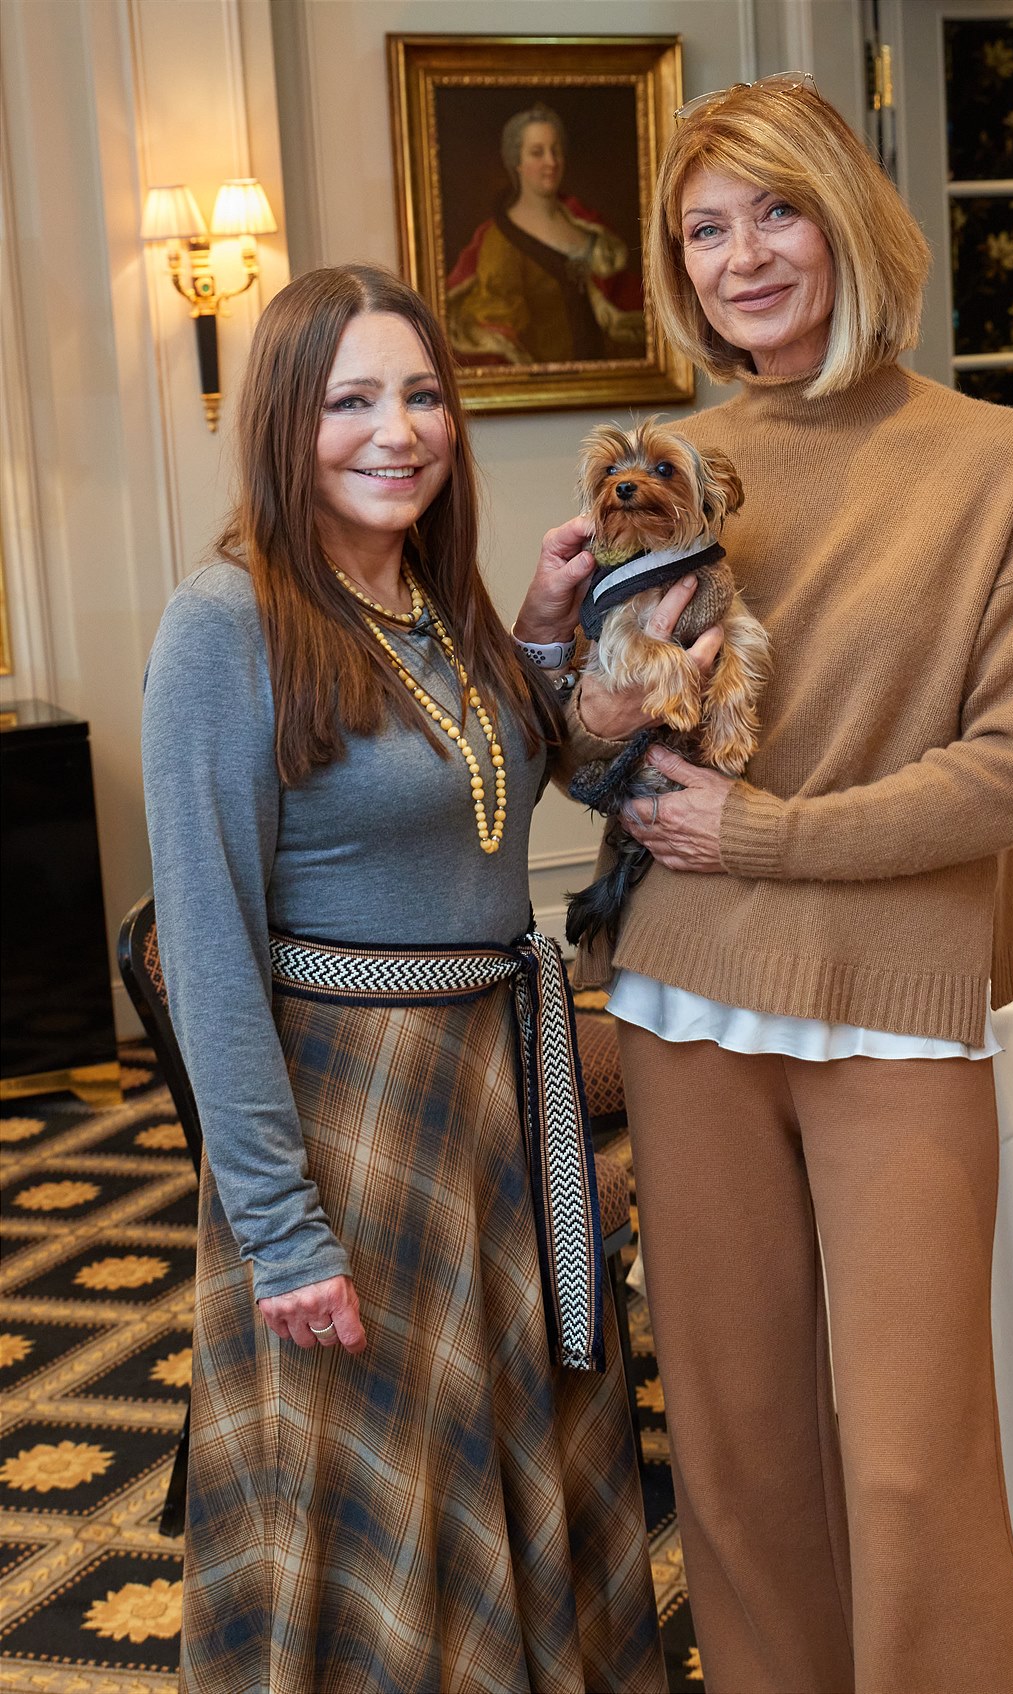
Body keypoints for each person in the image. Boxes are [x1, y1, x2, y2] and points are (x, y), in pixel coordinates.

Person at [514, 76, 1013, 1694]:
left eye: (774, 211)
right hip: (690, 994)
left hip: (897, 1007)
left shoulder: (997, 457)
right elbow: (591, 753)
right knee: (744, 1455)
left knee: (913, 1464)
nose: (741, 255)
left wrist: (766, 833)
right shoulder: (672, 466)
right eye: (704, 228)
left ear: (845, 216)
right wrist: (566, 657)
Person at [141, 263, 667, 1694]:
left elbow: (518, 774)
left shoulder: (437, 600)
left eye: (423, 394)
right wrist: (279, 1227)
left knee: (510, 1466)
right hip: (352, 1124)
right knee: (374, 1505)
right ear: (282, 422)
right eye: (352, 399)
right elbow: (206, 947)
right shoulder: (226, 620)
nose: (400, 430)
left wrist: (543, 622)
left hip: (494, 1106)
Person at [446, 102, 645, 365]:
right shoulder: (500, 240)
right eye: (537, 153)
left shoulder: (587, 223)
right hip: (550, 387)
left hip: (609, 380)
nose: (550, 162)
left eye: (556, 151)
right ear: (517, 161)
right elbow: (499, 327)